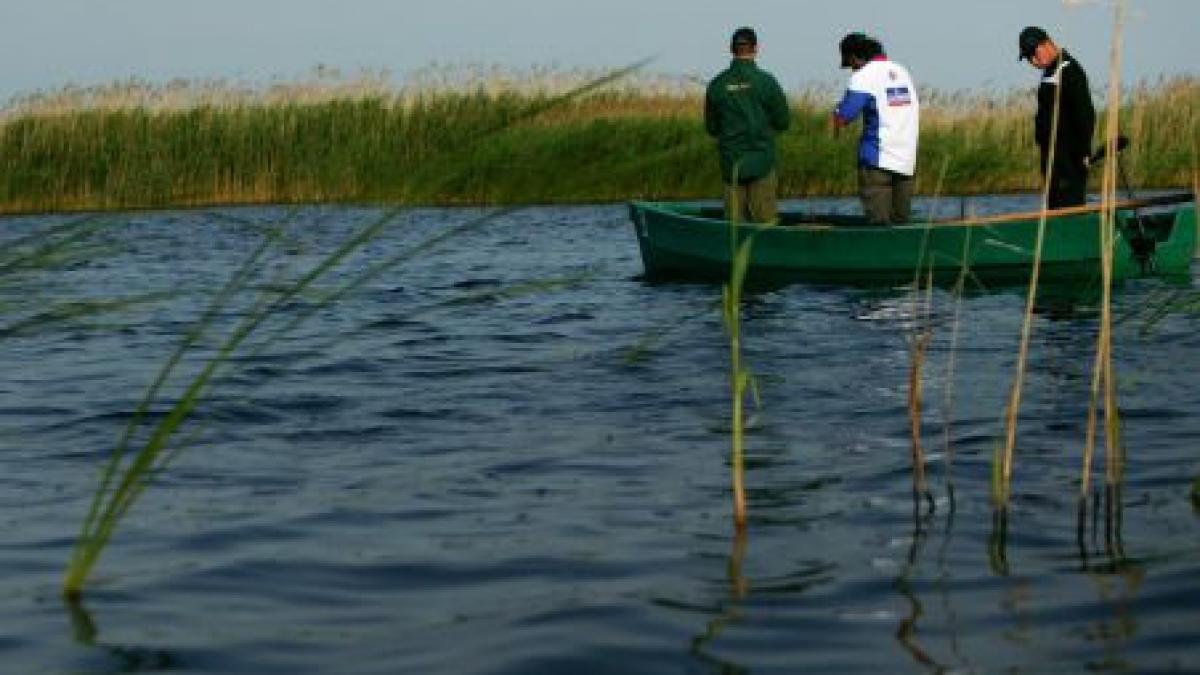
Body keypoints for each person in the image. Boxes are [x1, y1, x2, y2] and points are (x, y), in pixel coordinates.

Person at [831, 33, 920, 225]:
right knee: (901, 224)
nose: (851, 70)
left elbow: (844, 117)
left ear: (855, 57)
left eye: (850, 64)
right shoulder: (902, 71)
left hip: (876, 161)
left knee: (878, 225)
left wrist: (837, 112)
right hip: (906, 161)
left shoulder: (863, 76)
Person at [705, 27, 791, 224]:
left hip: (731, 165)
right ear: (756, 48)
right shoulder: (767, 82)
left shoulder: (717, 84)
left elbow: (711, 128)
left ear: (731, 49)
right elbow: (783, 122)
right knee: (765, 225)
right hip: (762, 162)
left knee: (733, 228)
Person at [1018, 26, 1096, 209]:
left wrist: (1083, 151)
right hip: (1054, 159)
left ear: (1046, 45)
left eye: (1033, 54)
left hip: (1068, 159)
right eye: (1028, 57)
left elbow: (1085, 113)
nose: (1032, 60)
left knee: (1068, 206)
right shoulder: (1051, 71)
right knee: (1055, 207)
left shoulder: (1069, 70)